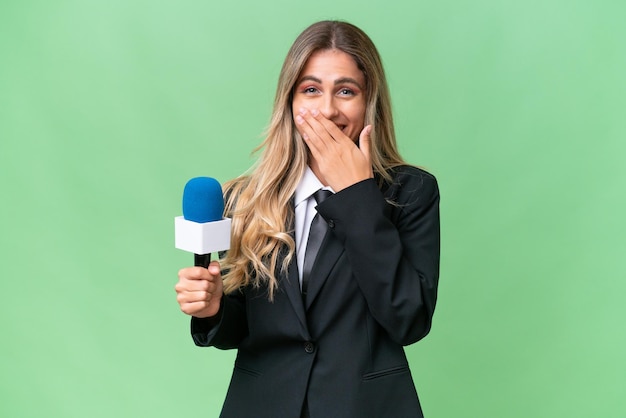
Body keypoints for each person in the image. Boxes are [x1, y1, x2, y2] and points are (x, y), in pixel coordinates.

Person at [175, 20, 440, 418]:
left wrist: (356, 196)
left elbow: (408, 319)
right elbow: (243, 328)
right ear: (290, 102)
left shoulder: (411, 192)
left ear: (369, 102)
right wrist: (213, 308)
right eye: (311, 90)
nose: (328, 109)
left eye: (346, 91)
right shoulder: (245, 198)